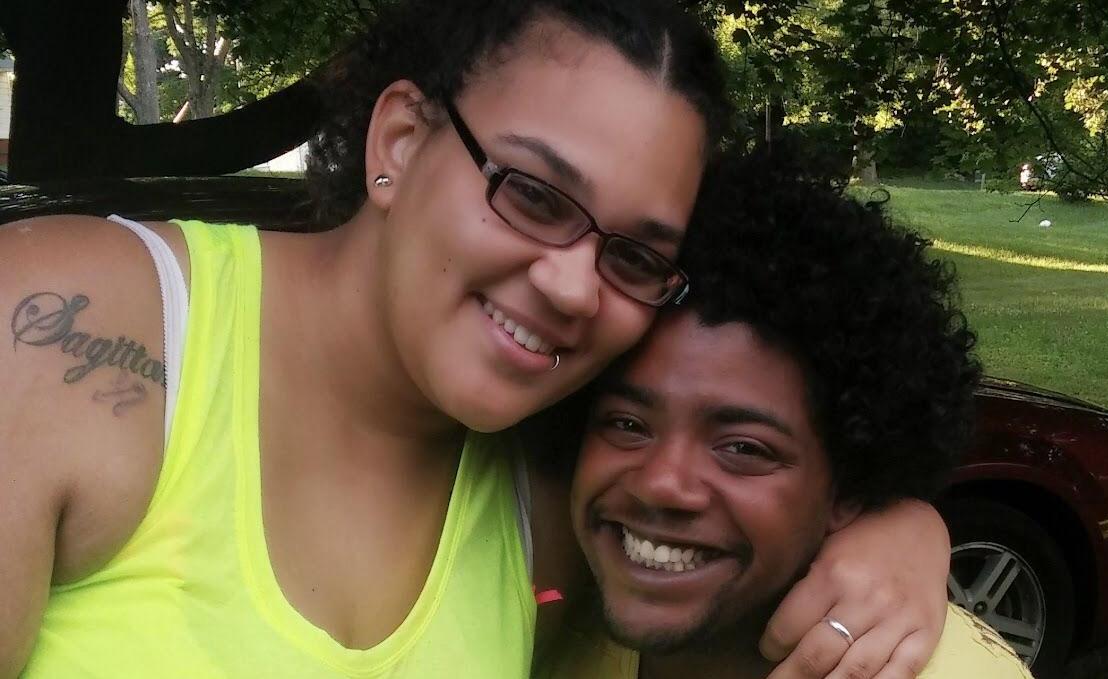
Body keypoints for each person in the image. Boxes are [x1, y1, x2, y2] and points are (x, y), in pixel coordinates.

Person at [1, 2, 947, 677]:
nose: (573, 286)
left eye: (632, 255)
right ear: (399, 140)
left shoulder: (550, 492)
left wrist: (906, 525)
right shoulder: (68, 327)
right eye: (531, 195)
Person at [539, 154, 1032, 679]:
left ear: (848, 487)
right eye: (627, 424)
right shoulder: (541, 615)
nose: (660, 484)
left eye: (743, 448)